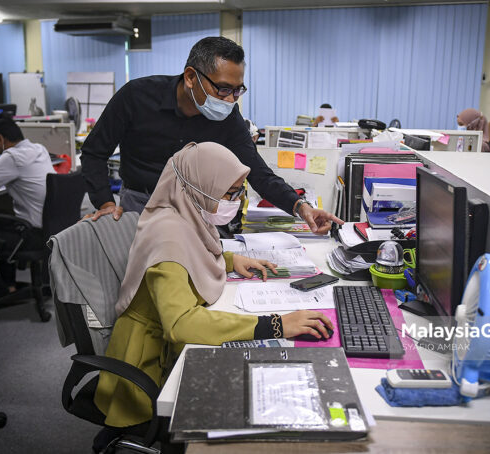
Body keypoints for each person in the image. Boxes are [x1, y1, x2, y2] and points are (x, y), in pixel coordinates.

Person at [93, 142, 333, 432]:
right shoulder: (167, 237)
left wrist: (231, 260)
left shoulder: (183, 212)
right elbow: (181, 323)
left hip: (168, 345)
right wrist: (276, 325)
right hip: (148, 366)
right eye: (230, 193)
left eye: (239, 191)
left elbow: (192, 255)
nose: (236, 200)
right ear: (198, 186)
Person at [81, 36, 342, 234]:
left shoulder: (227, 118)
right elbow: (94, 151)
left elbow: (258, 172)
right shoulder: (136, 97)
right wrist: (105, 202)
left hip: (196, 210)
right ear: (191, 77)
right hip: (139, 204)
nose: (230, 100)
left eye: (238, 90)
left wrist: (300, 207)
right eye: (223, 89)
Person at [0, 114, 56, 300]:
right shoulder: (39, 149)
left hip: (31, 233)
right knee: (2, 221)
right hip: (50, 229)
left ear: (0, 139)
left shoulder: (12, 157)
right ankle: (9, 286)